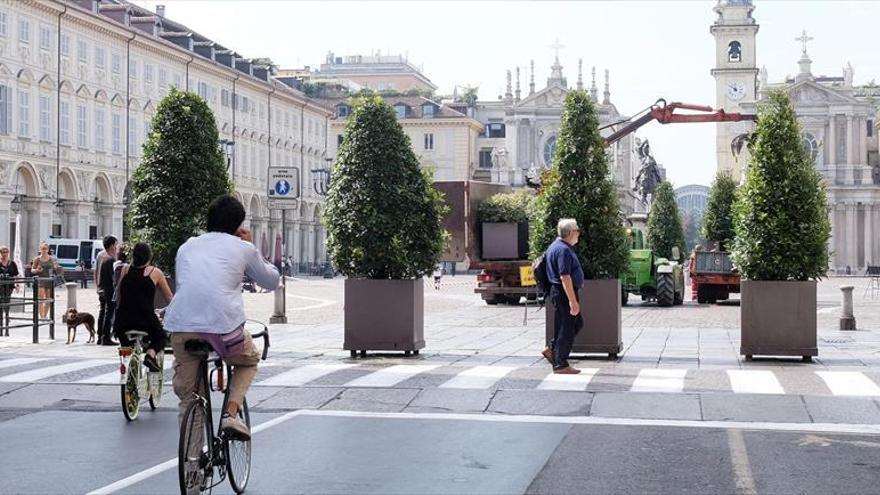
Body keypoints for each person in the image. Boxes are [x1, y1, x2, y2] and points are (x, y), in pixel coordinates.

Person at [164, 195, 280, 441]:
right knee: (249, 360)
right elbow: (271, 280)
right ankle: (230, 414)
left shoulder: (186, 247)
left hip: (181, 327)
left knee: (190, 399)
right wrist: (252, 248)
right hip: (223, 329)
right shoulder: (243, 247)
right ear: (238, 226)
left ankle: (193, 470)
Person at [114, 242, 173, 371]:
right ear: (149, 256)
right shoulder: (155, 272)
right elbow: (169, 298)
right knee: (162, 336)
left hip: (122, 321)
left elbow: (119, 293)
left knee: (126, 345)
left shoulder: (125, 269)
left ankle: (128, 355)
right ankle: (150, 355)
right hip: (145, 320)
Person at [541, 218, 584, 375]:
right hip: (564, 292)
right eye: (577, 230)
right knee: (568, 327)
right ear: (571, 233)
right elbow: (564, 276)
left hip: (559, 292)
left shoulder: (555, 246)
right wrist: (573, 301)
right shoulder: (563, 250)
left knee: (572, 324)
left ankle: (553, 350)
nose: (579, 233)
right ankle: (560, 363)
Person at [94, 235, 119, 346]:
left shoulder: (101, 255)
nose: (116, 247)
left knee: (102, 311)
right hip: (108, 288)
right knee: (108, 312)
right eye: (116, 244)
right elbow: (111, 277)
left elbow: (96, 272)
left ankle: (100, 336)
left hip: (101, 287)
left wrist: (97, 286)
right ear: (112, 245)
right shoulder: (109, 259)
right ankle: (105, 337)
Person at [30, 241, 61, 320]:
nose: (44, 250)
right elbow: (32, 270)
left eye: (45, 249)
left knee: (48, 299)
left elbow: (56, 269)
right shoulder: (37, 259)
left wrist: (56, 267)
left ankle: (45, 315)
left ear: (48, 250)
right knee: (41, 298)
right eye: (42, 248)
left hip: (49, 280)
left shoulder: (52, 259)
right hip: (40, 280)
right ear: (40, 249)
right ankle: (41, 316)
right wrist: (37, 270)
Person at [0, 246, 19, 336]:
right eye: (3, 252)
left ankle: (7, 328)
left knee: (6, 306)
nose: (4, 254)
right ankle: (0, 329)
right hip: (0, 287)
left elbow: (16, 274)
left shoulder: (12, 263)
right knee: (0, 307)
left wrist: (18, 285)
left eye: (6, 252)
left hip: (9, 287)